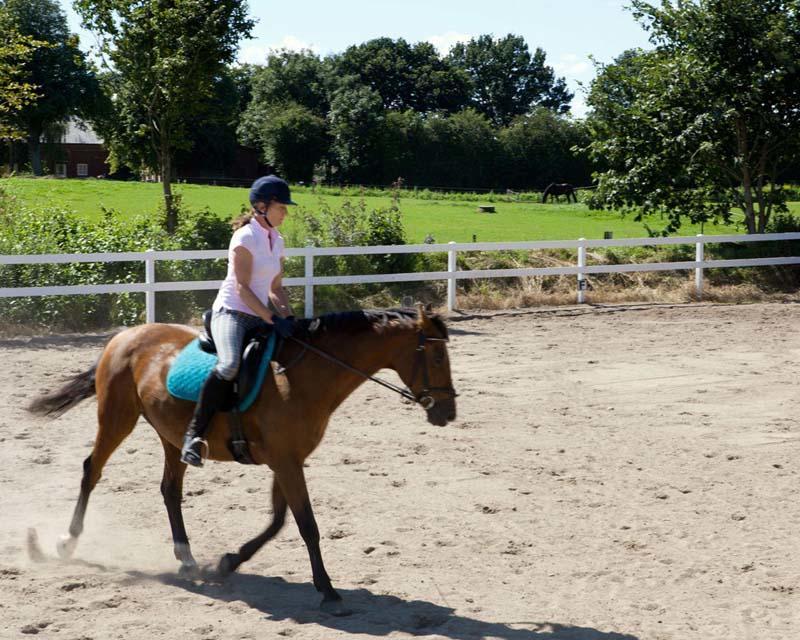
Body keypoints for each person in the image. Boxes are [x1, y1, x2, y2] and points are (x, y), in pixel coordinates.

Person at [180, 175, 297, 467]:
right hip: (231, 313)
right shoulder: (245, 238)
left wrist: (289, 318)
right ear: (261, 206)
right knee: (230, 364)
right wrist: (271, 317)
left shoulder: (277, 240)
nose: (285, 212)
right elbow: (243, 288)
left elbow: (276, 288)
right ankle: (193, 436)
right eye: (281, 206)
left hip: (259, 315)